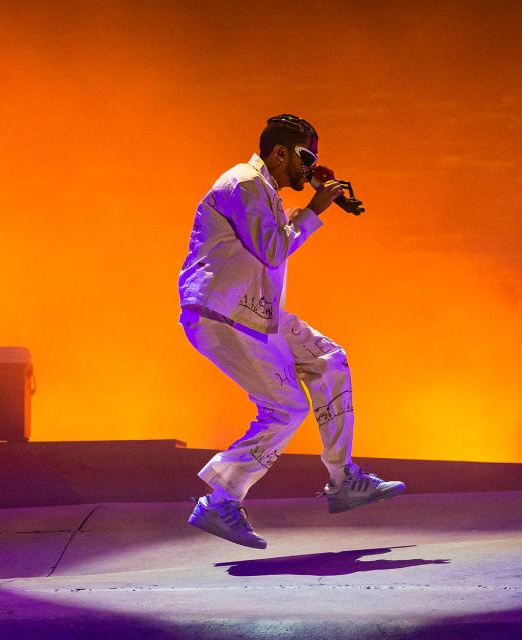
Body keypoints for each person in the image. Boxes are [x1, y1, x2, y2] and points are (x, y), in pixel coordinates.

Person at [178, 114, 405, 549]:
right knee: (284, 408)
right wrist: (314, 210)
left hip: (251, 312)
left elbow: (270, 248)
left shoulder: (263, 191)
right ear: (279, 152)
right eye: (306, 157)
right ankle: (220, 500)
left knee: (329, 360)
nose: (310, 167)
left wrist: (308, 210)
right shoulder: (243, 183)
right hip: (220, 313)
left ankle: (344, 480)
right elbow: (273, 249)